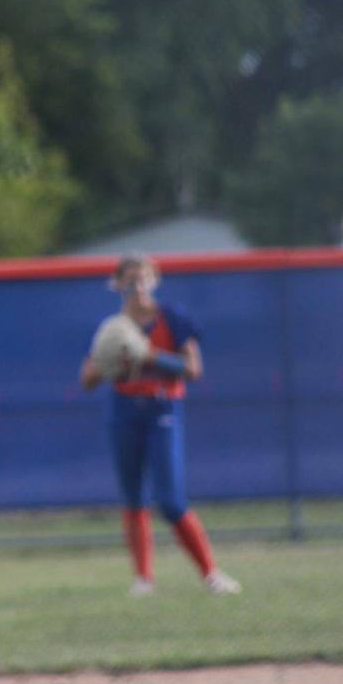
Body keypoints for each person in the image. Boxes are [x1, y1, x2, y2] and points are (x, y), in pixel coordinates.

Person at [79, 252, 241, 597]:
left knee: (170, 500)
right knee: (133, 496)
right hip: (123, 408)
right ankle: (143, 579)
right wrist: (112, 365)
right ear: (119, 284)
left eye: (144, 278)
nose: (138, 285)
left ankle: (210, 573)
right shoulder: (114, 328)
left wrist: (150, 356)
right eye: (131, 279)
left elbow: (194, 369)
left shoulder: (172, 318)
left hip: (162, 408)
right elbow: (87, 378)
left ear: (154, 281)